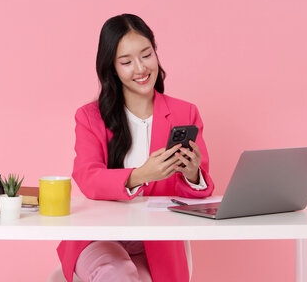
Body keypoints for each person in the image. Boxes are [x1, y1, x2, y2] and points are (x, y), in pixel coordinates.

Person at [57, 14, 214, 282]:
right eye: (126, 62)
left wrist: (192, 174)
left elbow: (200, 191)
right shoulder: (90, 117)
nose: (140, 68)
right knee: (116, 275)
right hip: (99, 239)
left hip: (155, 244)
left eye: (146, 55)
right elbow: (88, 177)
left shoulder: (184, 112)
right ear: (112, 69)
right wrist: (142, 174)